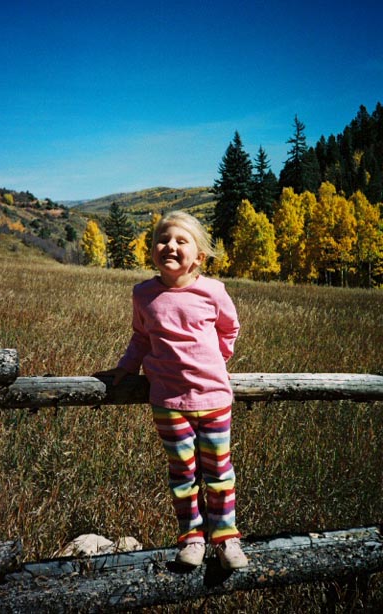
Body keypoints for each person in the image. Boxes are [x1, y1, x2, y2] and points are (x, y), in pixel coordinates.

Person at [98, 211, 248, 570]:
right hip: (168, 402)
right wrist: (126, 367)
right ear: (152, 250)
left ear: (199, 256)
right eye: (163, 239)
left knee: (218, 472)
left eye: (182, 241)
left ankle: (226, 539)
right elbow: (141, 336)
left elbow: (230, 328)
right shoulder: (144, 294)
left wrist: (218, 358)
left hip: (213, 398)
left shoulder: (213, 291)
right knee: (182, 473)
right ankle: (192, 538)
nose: (170, 246)